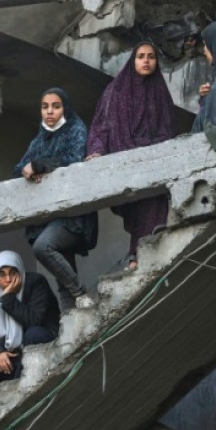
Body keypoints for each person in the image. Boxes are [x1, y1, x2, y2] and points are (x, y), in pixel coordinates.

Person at [86, 42, 176, 271]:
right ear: (132, 60)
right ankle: (138, 254)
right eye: (141, 56)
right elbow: (100, 127)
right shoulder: (116, 91)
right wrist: (96, 151)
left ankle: (138, 254)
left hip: (153, 163)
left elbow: (167, 130)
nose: (146, 61)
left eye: (151, 57)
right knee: (139, 210)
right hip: (124, 160)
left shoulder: (160, 92)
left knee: (154, 205)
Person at [14, 88, 98, 310]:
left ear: (65, 108)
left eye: (56, 106)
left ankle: (81, 293)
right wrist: (28, 171)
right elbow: (18, 169)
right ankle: (71, 323)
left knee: (43, 248)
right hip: (48, 217)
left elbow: (74, 159)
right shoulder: (39, 139)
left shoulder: (76, 129)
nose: (50, 111)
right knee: (62, 278)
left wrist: (40, 165)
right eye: (45, 107)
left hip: (73, 216)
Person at [0, 251, 61, 391]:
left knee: (34, 333)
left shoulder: (36, 282)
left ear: (20, 271)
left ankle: (21, 391)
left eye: (12, 272)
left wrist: (8, 298)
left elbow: (34, 320)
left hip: (41, 342)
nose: (8, 279)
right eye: (1, 274)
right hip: (12, 354)